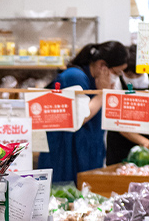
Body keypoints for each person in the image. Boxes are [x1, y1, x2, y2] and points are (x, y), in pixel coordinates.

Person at [38, 41, 128, 184]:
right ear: (102, 65)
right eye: (116, 73)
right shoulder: (75, 77)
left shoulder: (92, 79)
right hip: (67, 154)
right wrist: (102, 93)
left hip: (85, 151)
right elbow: (80, 116)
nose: (116, 78)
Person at [106, 44, 149, 165]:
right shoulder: (116, 81)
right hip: (121, 141)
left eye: (138, 74)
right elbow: (115, 121)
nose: (134, 78)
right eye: (129, 75)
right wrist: (143, 141)